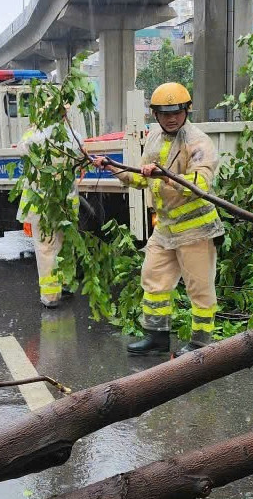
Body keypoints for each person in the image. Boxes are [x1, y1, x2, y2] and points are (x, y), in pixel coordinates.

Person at [92, 82, 224, 357]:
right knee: (153, 281)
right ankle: (157, 338)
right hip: (165, 230)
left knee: (199, 289)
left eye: (176, 112)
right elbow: (141, 177)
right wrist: (114, 167)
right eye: (164, 113)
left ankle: (201, 344)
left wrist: (165, 175)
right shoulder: (153, 138)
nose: (171, 118)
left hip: (197, 230)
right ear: (155, 115)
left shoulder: (198, 142)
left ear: (187, 110)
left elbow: (201, 183)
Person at [18, 106, 84, 308]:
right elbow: (81, 158)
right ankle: (67, 285)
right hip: (67, 204)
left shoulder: (35, 138)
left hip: (43, 205)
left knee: (46, 249)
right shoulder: (74, 138)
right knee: (66, 245)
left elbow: (22, 147)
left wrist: (34, 125)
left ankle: (51, 296)